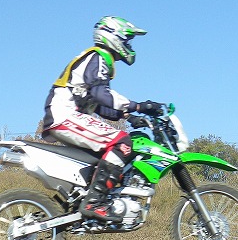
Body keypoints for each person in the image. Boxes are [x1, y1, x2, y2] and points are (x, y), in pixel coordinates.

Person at [41, 16, 160, 222]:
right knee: (123, 142)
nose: (129, 46)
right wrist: (138, 106)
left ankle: (83, 199)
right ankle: (94, 202)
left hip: (66, 115)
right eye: (127, 40)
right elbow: (101, 95)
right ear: (114, 37)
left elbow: (98, 105)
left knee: (106, 152)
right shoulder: (98, 56)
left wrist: (129, 116)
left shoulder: (96, 59)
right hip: (65, 114)